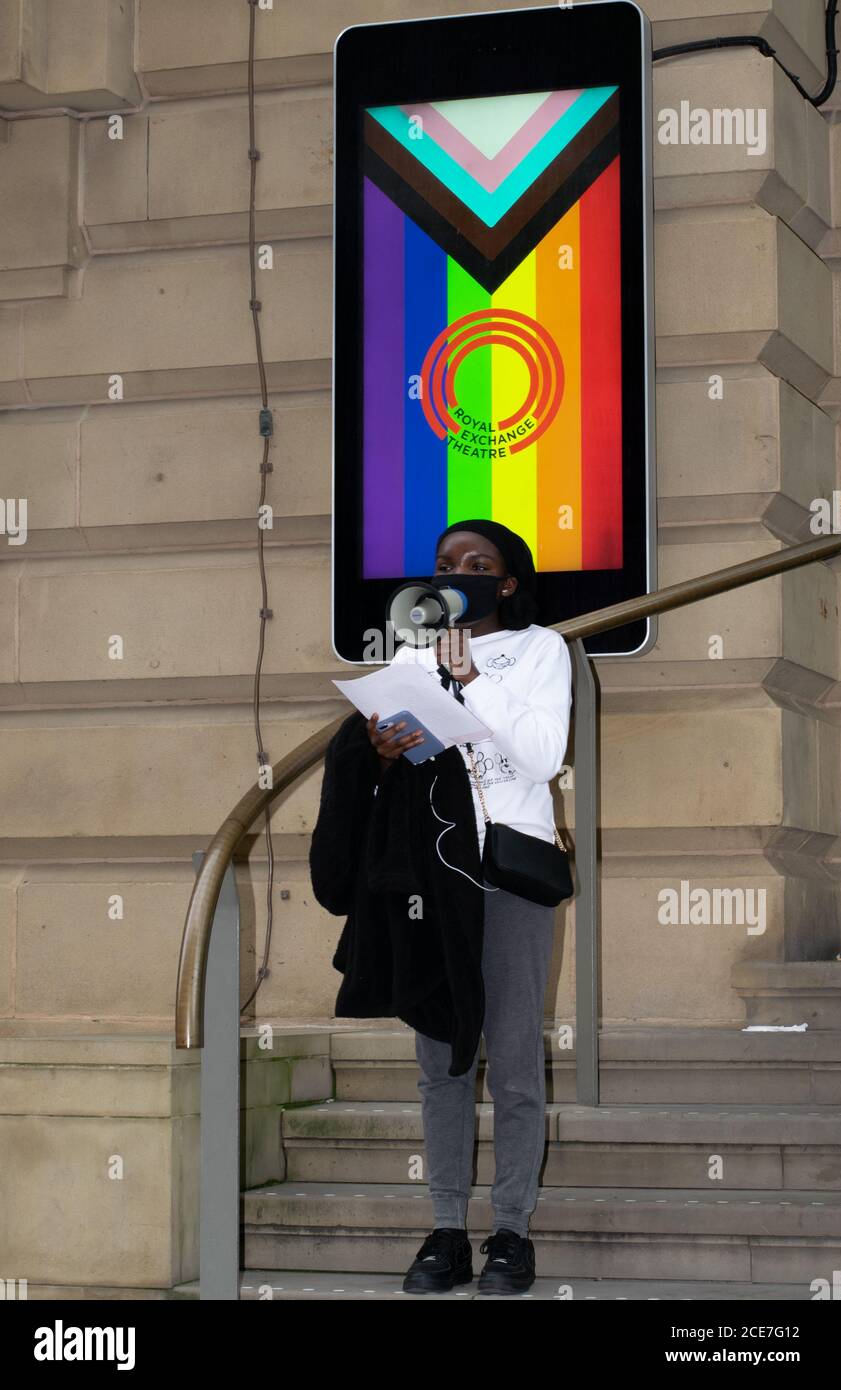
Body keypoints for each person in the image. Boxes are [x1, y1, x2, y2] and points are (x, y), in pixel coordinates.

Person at [365, 519, 572, 1296]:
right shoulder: (413, 657)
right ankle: (446, 1229)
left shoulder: (541, 650)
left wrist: (476, 681)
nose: (458, 574)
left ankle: (511, 1232)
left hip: (511, 874)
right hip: (434, 878)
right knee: (441, 1061)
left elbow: (545, 755)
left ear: (507, 582)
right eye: (446, 564)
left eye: (477, 564)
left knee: (515, 1061)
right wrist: (387, 745)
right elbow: (418, 764)